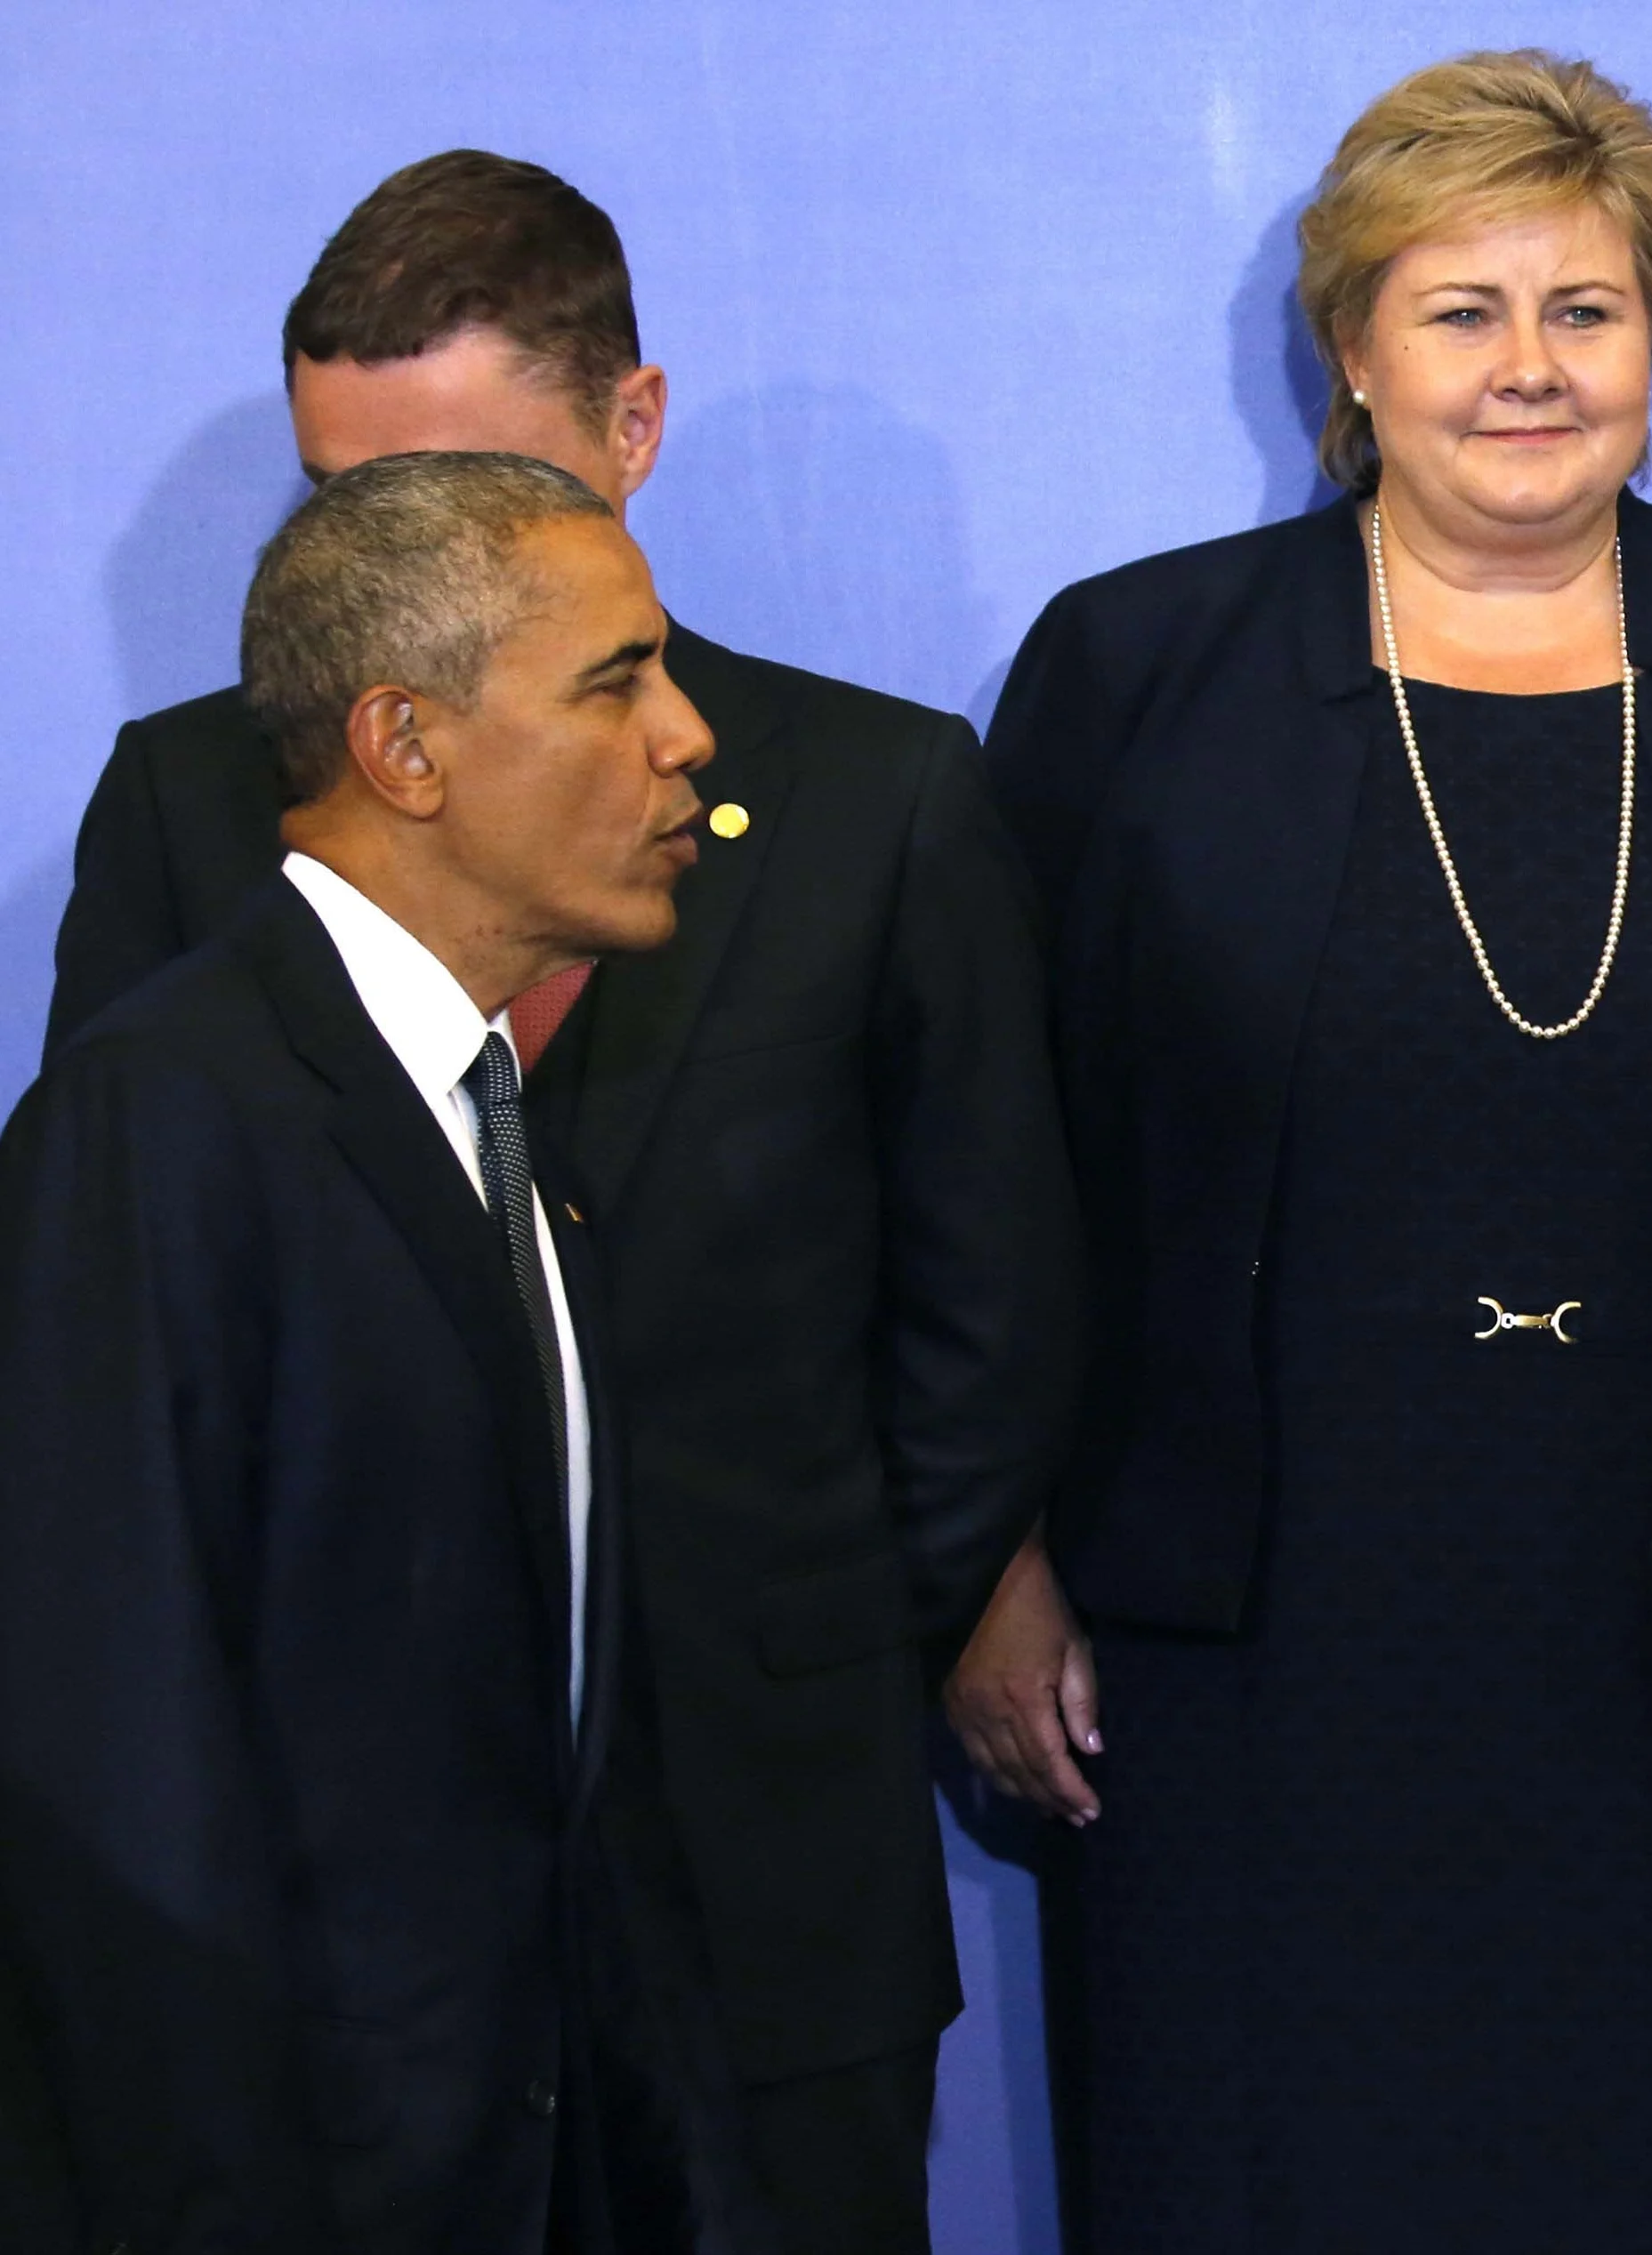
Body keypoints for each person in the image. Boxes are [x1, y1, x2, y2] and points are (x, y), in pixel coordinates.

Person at [954, 49, 1652, 2251]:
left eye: (1587, 311)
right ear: (1352, 349)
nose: (1532, 371)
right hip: (1251, 1661)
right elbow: (990, 1157)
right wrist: (990, 1556)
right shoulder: (1141, 672)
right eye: (1462, 311)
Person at [37, 153, 1078, 2253]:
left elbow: (989, 1297)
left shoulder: (875, 801)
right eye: (346, 504)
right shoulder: (186, 873)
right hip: (362, 1972)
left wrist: (818, 1636)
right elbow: (122, 1489)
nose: (389, 557)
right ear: (392, 745)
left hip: (765, 1871)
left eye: (465, 490)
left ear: (630, 432)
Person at [0, 452, 762, 2252]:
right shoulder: (164, 1119)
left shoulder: (493, 1125)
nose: (690, 735)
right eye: (616, 680)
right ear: (404, 747)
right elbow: (115, 1775)